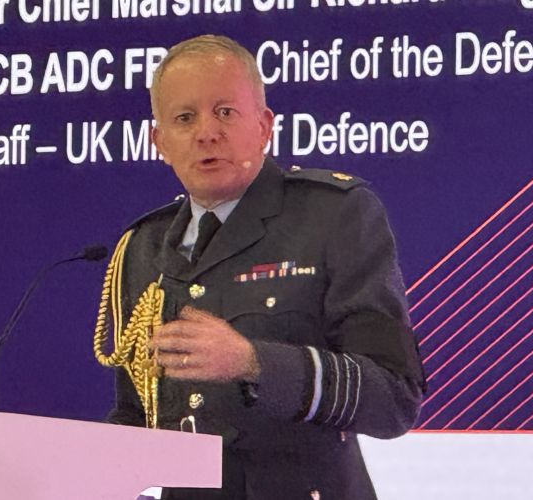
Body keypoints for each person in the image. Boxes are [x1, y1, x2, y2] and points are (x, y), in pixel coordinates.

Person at [105, 34, 425, 499]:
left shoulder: (335, 215)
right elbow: (137, 414)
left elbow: (394, 397)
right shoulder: (143, 248)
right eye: (184, 117)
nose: (207, 132)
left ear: (264, 125)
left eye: (225, 112)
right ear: (160, 142)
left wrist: (254, 362)